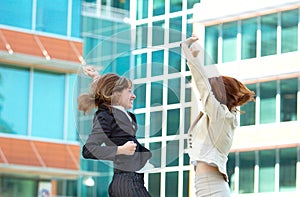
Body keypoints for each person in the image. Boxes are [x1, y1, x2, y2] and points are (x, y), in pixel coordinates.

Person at [181, 36, 255, 197]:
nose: (202, 98)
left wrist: (188, 53)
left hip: (211, 187)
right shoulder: (222, 118)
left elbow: (202, 84)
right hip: (210, 185)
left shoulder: (220, 116)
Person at [78, 66, 152, 197]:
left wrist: (97, 78)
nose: (133, 96)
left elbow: (107, 94)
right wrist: (120, 150)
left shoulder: (120, 114)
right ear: (116, 94)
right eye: (129, 91)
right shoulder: (105, 116)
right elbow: (88, 150)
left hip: (133, 182)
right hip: (127, 184)